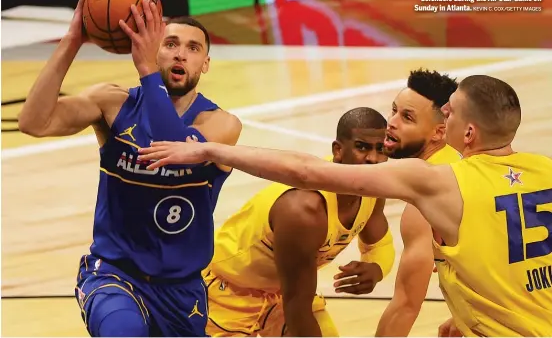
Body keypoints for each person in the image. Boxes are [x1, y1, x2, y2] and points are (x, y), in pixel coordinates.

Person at [138, 74, 552, 337]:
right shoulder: (544, 169)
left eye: (450, 112)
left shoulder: (437, 182)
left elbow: (304, 170)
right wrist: (468, 318)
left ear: (464, 132)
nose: (391, 124)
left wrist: (212, 150)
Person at [18, 0, 242, 337]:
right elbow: (33, 122)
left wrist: (147, 71)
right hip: (113, 275)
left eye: (193, 48)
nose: (180, 54)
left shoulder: (220, 125)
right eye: (169, 44)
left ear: (206, 62)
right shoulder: (113, 103)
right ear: (154, 49)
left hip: (181, 290)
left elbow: (168, 148)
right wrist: (73, 40)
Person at [202, 107, 395, 337]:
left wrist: (376, 268)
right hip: (228, 295)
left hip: (283, 292)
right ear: (338, 150)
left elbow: (379, 245)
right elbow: (297, 309)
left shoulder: (372, 188)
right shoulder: (304, 211)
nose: (373, 159)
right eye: (362, 147)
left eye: (380, 149)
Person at [376, 69, 461, 337]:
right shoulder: (461, 163)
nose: (391, 122)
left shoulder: (426, 203)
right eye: (394, 111)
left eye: (407, 117)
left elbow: (406, 304)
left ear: (439, 133)